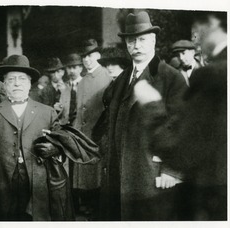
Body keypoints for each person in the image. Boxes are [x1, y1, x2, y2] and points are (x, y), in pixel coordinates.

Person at [95, 11, 187, 221]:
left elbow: (184, 125)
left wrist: (172, 170)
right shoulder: (120, 80)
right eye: (131, 40)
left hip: (151, 173)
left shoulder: (170, 77)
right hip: (118, 172)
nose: (136, 45)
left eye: (142, 39)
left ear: (153, 40)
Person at [145, 11, 227, 221]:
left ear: (213, 22)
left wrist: (151, 106)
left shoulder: (212, 74)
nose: (196, 39)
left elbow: (183, 149)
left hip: (212, 195)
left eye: (195, 32)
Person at [0, 54, 65, 221]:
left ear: (30, 83)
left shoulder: (47, 113)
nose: (17, 83)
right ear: (4, 84)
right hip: (2, 186)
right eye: (11, 79)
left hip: (37, 186)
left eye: (22, 79)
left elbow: (61, 147)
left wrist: (55, 150)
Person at [71, 38, 112, 219]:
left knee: (97, 176)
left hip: (99, 135)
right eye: (84, 56)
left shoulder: (107, 77)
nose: (87, 60)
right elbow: (79, 111)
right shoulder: (82, 81)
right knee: (84, 177)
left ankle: (97, 210)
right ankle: (87, 207)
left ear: (98, 55)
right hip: (82, 134)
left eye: (91, 55)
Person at [54, 53, 83, 125]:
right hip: (64, 125)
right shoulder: (63, 87)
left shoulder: (86, 85)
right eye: (69, 68)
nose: (72, 71)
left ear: (81, 68)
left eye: (74, 67)